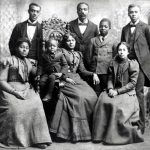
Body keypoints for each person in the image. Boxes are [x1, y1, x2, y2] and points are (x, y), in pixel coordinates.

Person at [0, 38, 51, 149]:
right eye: (22, 47)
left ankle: (38, 139)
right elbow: (1, 81)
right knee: (15, 109)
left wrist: (39, 71)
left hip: (26, 88)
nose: (24, 50)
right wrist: (14, 92)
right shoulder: (8, 60)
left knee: (37, 104)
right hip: (10, 89)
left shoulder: (28, 62)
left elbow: (37, 72)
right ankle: (14, 140)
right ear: (16, 48)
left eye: (27, 48)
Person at [49, 32, 99, 142]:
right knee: (79, 97)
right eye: (68, 40)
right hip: (64, 78)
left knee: (92, 96)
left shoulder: (78, 54)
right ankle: (77, 132)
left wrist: (93, 74)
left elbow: (82, 71)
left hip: (77, 78)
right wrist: (64, 78)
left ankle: (90, 130)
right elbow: (56, 68)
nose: (71, 42)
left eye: (73, 40)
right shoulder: (60, 52)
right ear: (65, 42)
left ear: (75, 42)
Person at [92, 42, 144, 145]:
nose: (121, 52)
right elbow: (110, 78)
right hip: (114, 89)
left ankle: (114, 137)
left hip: (127, 92)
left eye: (124, 50)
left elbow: (132, 83)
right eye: (120, 50)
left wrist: (118, 91)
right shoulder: (113, 62)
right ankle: (100, 135)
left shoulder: (132, 63)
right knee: (102, 100)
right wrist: (110, 88)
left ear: (128, 52)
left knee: (116, 105)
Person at [121, 4, 150, 134]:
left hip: (141, 66)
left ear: (139, 13)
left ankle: (142, 124)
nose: (133, 14)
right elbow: (122, 47)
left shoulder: (146, 28)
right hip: (128, 64)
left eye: (135, 12)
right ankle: (128, 121)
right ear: (128, 13)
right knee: (127, 92)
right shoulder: (125, 29)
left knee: (139, 93)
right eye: (131, 12)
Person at [86, 18, 117, 96]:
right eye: (101, 26)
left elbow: (115, 58)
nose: (103, 28)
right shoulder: (93, 40)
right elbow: (88, 57)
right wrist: (93, 72)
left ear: (109, 28)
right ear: (99, 27)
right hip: (95, 72)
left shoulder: (113, 41)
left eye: (105, 26)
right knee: (95, 94)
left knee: (106, 94)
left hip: (107, 73)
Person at [69, 2, 99, 67]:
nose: (82, 12)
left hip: (89, 60)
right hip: (74, 60)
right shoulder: (70, 25)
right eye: (80, 9)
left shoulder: (94, 27)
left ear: (88, 11)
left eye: (85, 9)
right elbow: (66, 43)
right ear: (77, 11)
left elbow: (97, 46)